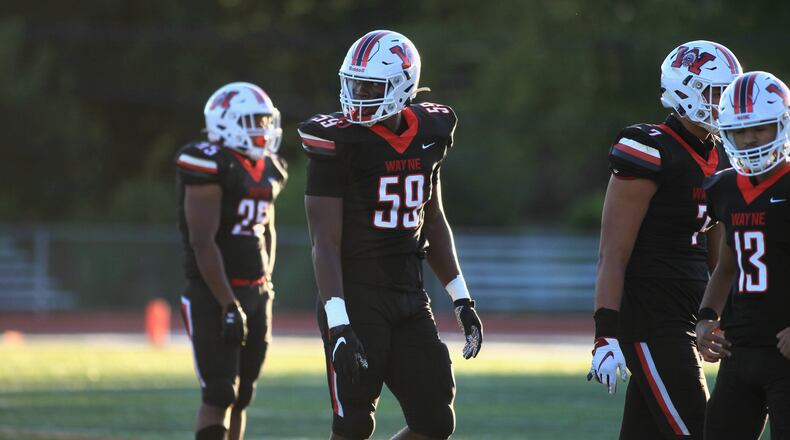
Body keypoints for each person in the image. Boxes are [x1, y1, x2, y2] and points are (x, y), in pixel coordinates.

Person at [299, 30, 483, 440]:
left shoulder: (431, 130)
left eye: (370, 86)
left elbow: (432, 219)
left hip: (408, 292)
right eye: (353, 83)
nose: (357, 95)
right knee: (354, 426)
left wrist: (461, 298)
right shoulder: (336, 142)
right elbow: (323, 241)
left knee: (436, 421)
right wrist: (338, 324)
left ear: (404, 85)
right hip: (356, 295)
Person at [587, 40, 742, 439]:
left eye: (727, 93)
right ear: (683, 88)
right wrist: (606, 332)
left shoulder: (722, 155)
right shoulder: (649, 147)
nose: (721, 102)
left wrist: (717, 314)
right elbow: (612, 253)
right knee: (700, 429)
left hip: (687, 310)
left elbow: (718, 253)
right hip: (650, 315)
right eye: (714, 92)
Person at [175, 82, 287, 440]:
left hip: (256, 292)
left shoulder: (268, 167)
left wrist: (266, 281)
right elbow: (202, 242)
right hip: (214, 295)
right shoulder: (208, 161)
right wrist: (228, 304)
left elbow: (265, 226)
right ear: (226, 122)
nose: (263, 129)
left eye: (266, 120)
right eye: (255, 120)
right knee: (220, 391)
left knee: (242, 396)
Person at [696, 71, 790, 440]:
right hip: (738, 350)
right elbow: (729, 264)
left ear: (782, 124)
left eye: (761, 129)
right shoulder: (722, 187)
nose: (749, 139)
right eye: (739, 131)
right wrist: (705, 318)